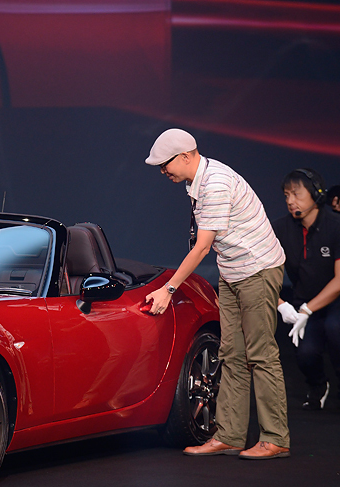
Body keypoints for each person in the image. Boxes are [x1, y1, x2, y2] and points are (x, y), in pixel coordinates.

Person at [144, 128, 290, 459]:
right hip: (233, 272)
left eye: (165, 164)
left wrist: (168, 289)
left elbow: (202, 247)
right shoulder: (197, 183)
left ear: (185, 157)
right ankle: (230, 435)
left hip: (256, 269)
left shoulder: (215, 184)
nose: (163, 171)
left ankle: (275, 437)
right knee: (231, 353)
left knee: (260, 354)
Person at [273, 168, 340, 410]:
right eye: (286, 195)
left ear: (317, 194)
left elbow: (339, 281)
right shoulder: (281, 229)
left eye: (297, 194)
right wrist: (282, 305)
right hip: (303, 300)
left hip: (335, 301)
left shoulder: (335, 226)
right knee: (306, 353)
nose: (291, 201)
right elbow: (262, 269)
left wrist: (307, 310)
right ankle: (318, 386)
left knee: (335, 329)